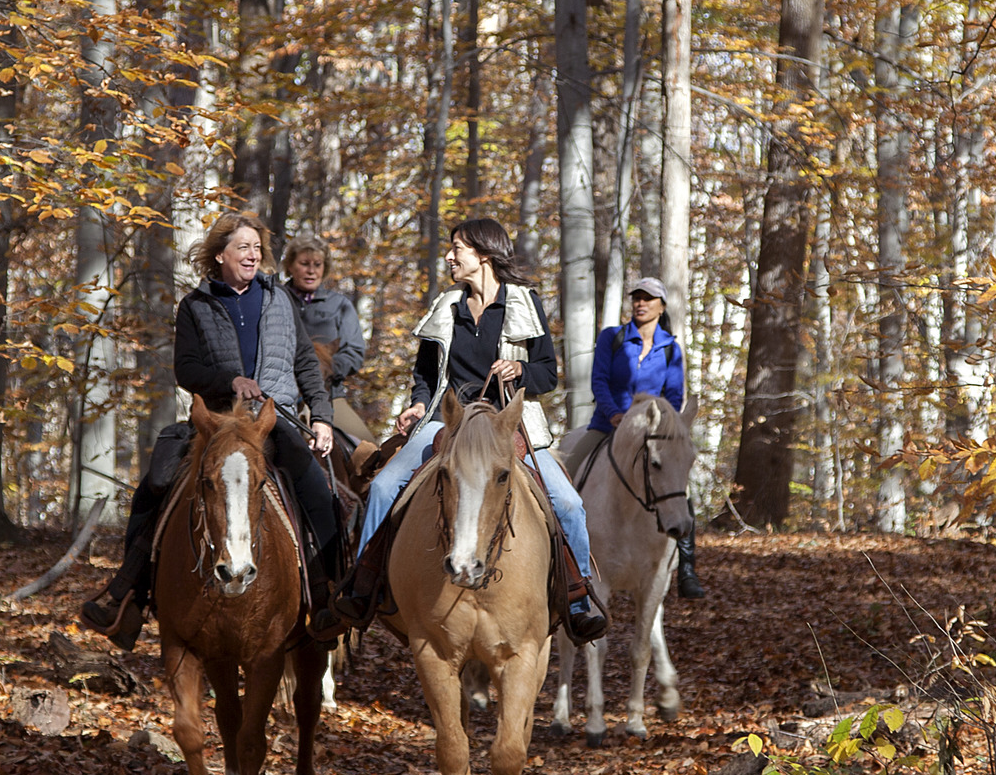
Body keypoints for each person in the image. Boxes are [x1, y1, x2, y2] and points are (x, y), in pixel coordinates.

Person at [313, 217, 607, 646]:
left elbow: (547, 374)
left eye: (458, 248)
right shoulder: (445, 306)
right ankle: (364, 585)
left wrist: (520, 368)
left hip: (508, 422)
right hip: (445, 420)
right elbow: (425, 375)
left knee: (569, 503)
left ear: (484, 254)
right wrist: (416, 403)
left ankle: (577, 599)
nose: (450, 256)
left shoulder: (525, 303)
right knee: (383, 488)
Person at [79, 211, 341, 647]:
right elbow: (186, 369)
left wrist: (323, 415)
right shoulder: (195, 306)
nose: (253, 254)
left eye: (257, 247)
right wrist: (228, 382)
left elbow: (305, 363)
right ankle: (127, 598)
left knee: (319, 493)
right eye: (243, 247)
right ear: (220, 254)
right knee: (155, 483)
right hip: (216, 423)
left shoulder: (281, 299)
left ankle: (329, 599)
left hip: (271, 422)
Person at [576, 276, 703, 599]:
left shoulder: (671, 348)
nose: (640, 303)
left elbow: (674, 399)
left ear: (662, 306)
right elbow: (599, 382)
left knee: (677, 486)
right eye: (636, 297)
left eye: (648, 298)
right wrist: (613, 414)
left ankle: (686, 566)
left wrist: (661, 427)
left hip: (652, 435)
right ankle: (561, 553)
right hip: (606, 427)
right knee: (567, 473)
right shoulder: (612, 338)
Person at [281, 234, 371, 443]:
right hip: (282, 393)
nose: (311, 270)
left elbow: (354, 353)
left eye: (317, 264)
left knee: (368, 450)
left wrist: (324, 367)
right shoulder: (276, 299)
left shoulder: (340, 305)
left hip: (329, 395)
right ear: (291, 266)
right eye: (304, 264)